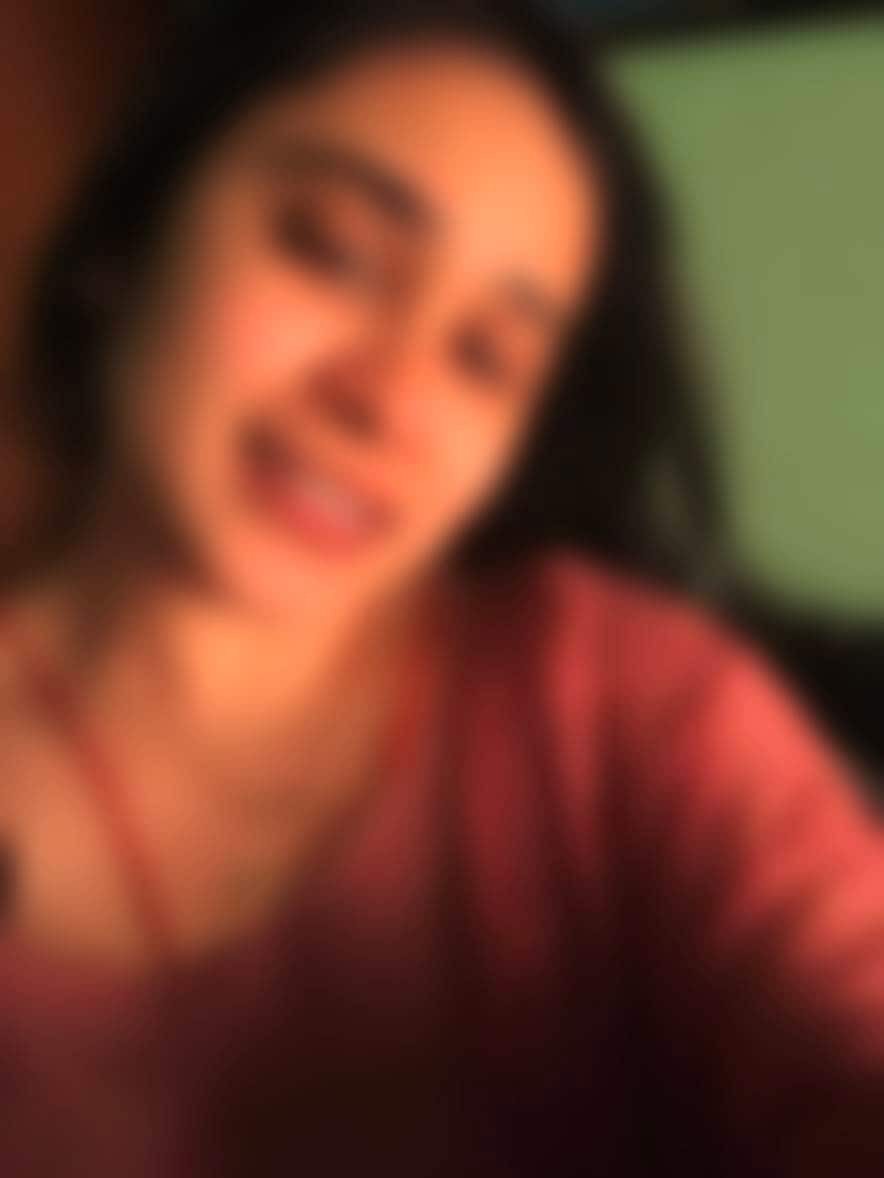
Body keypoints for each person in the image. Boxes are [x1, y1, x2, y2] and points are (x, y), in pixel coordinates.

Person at [0, 2, 881, 1174]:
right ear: (128, 240)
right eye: (335, 251)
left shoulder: (612, 702)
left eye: (484, 357)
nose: (391, 400)